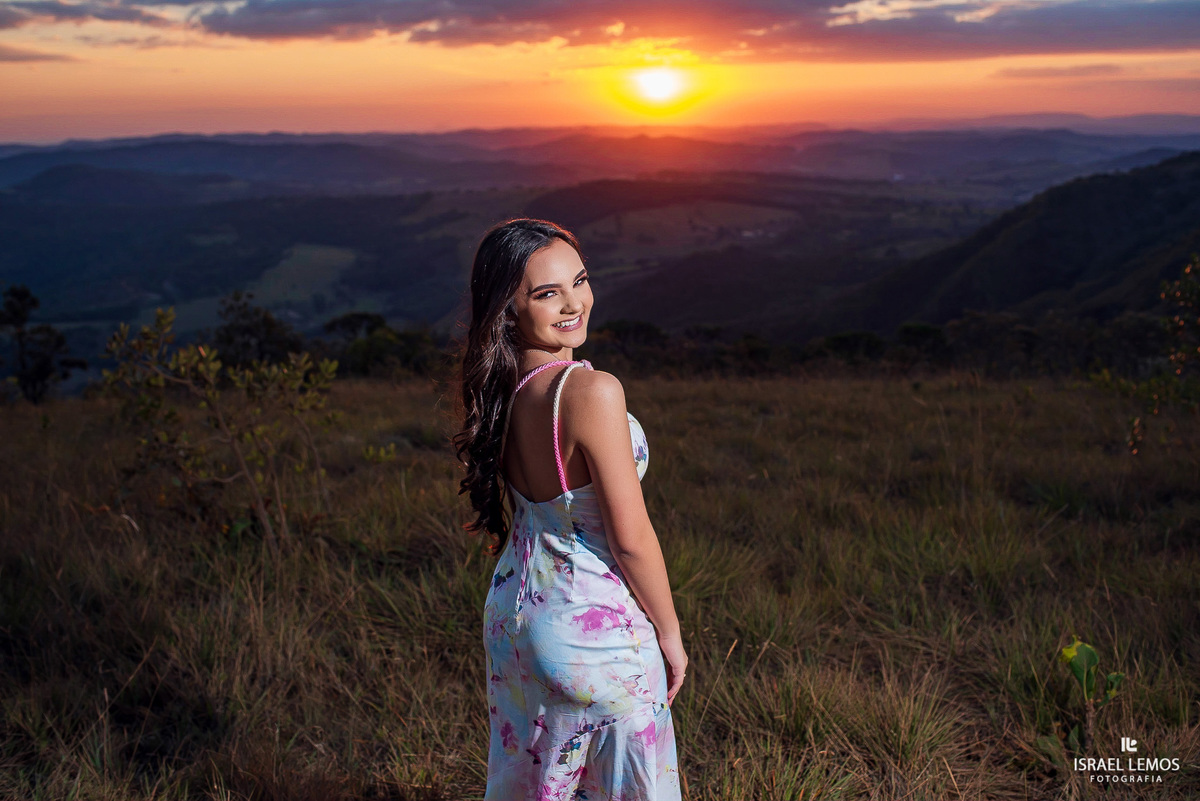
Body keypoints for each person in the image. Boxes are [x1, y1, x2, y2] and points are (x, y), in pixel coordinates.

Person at [453, 218, 686, 799]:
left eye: (579, 281)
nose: (574, 303)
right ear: (508, 308)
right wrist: (671, 633)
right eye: (546, 293)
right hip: (594, 632)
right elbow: (630, 538)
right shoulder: (590, 391)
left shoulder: (498, 389)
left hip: (516, 620)